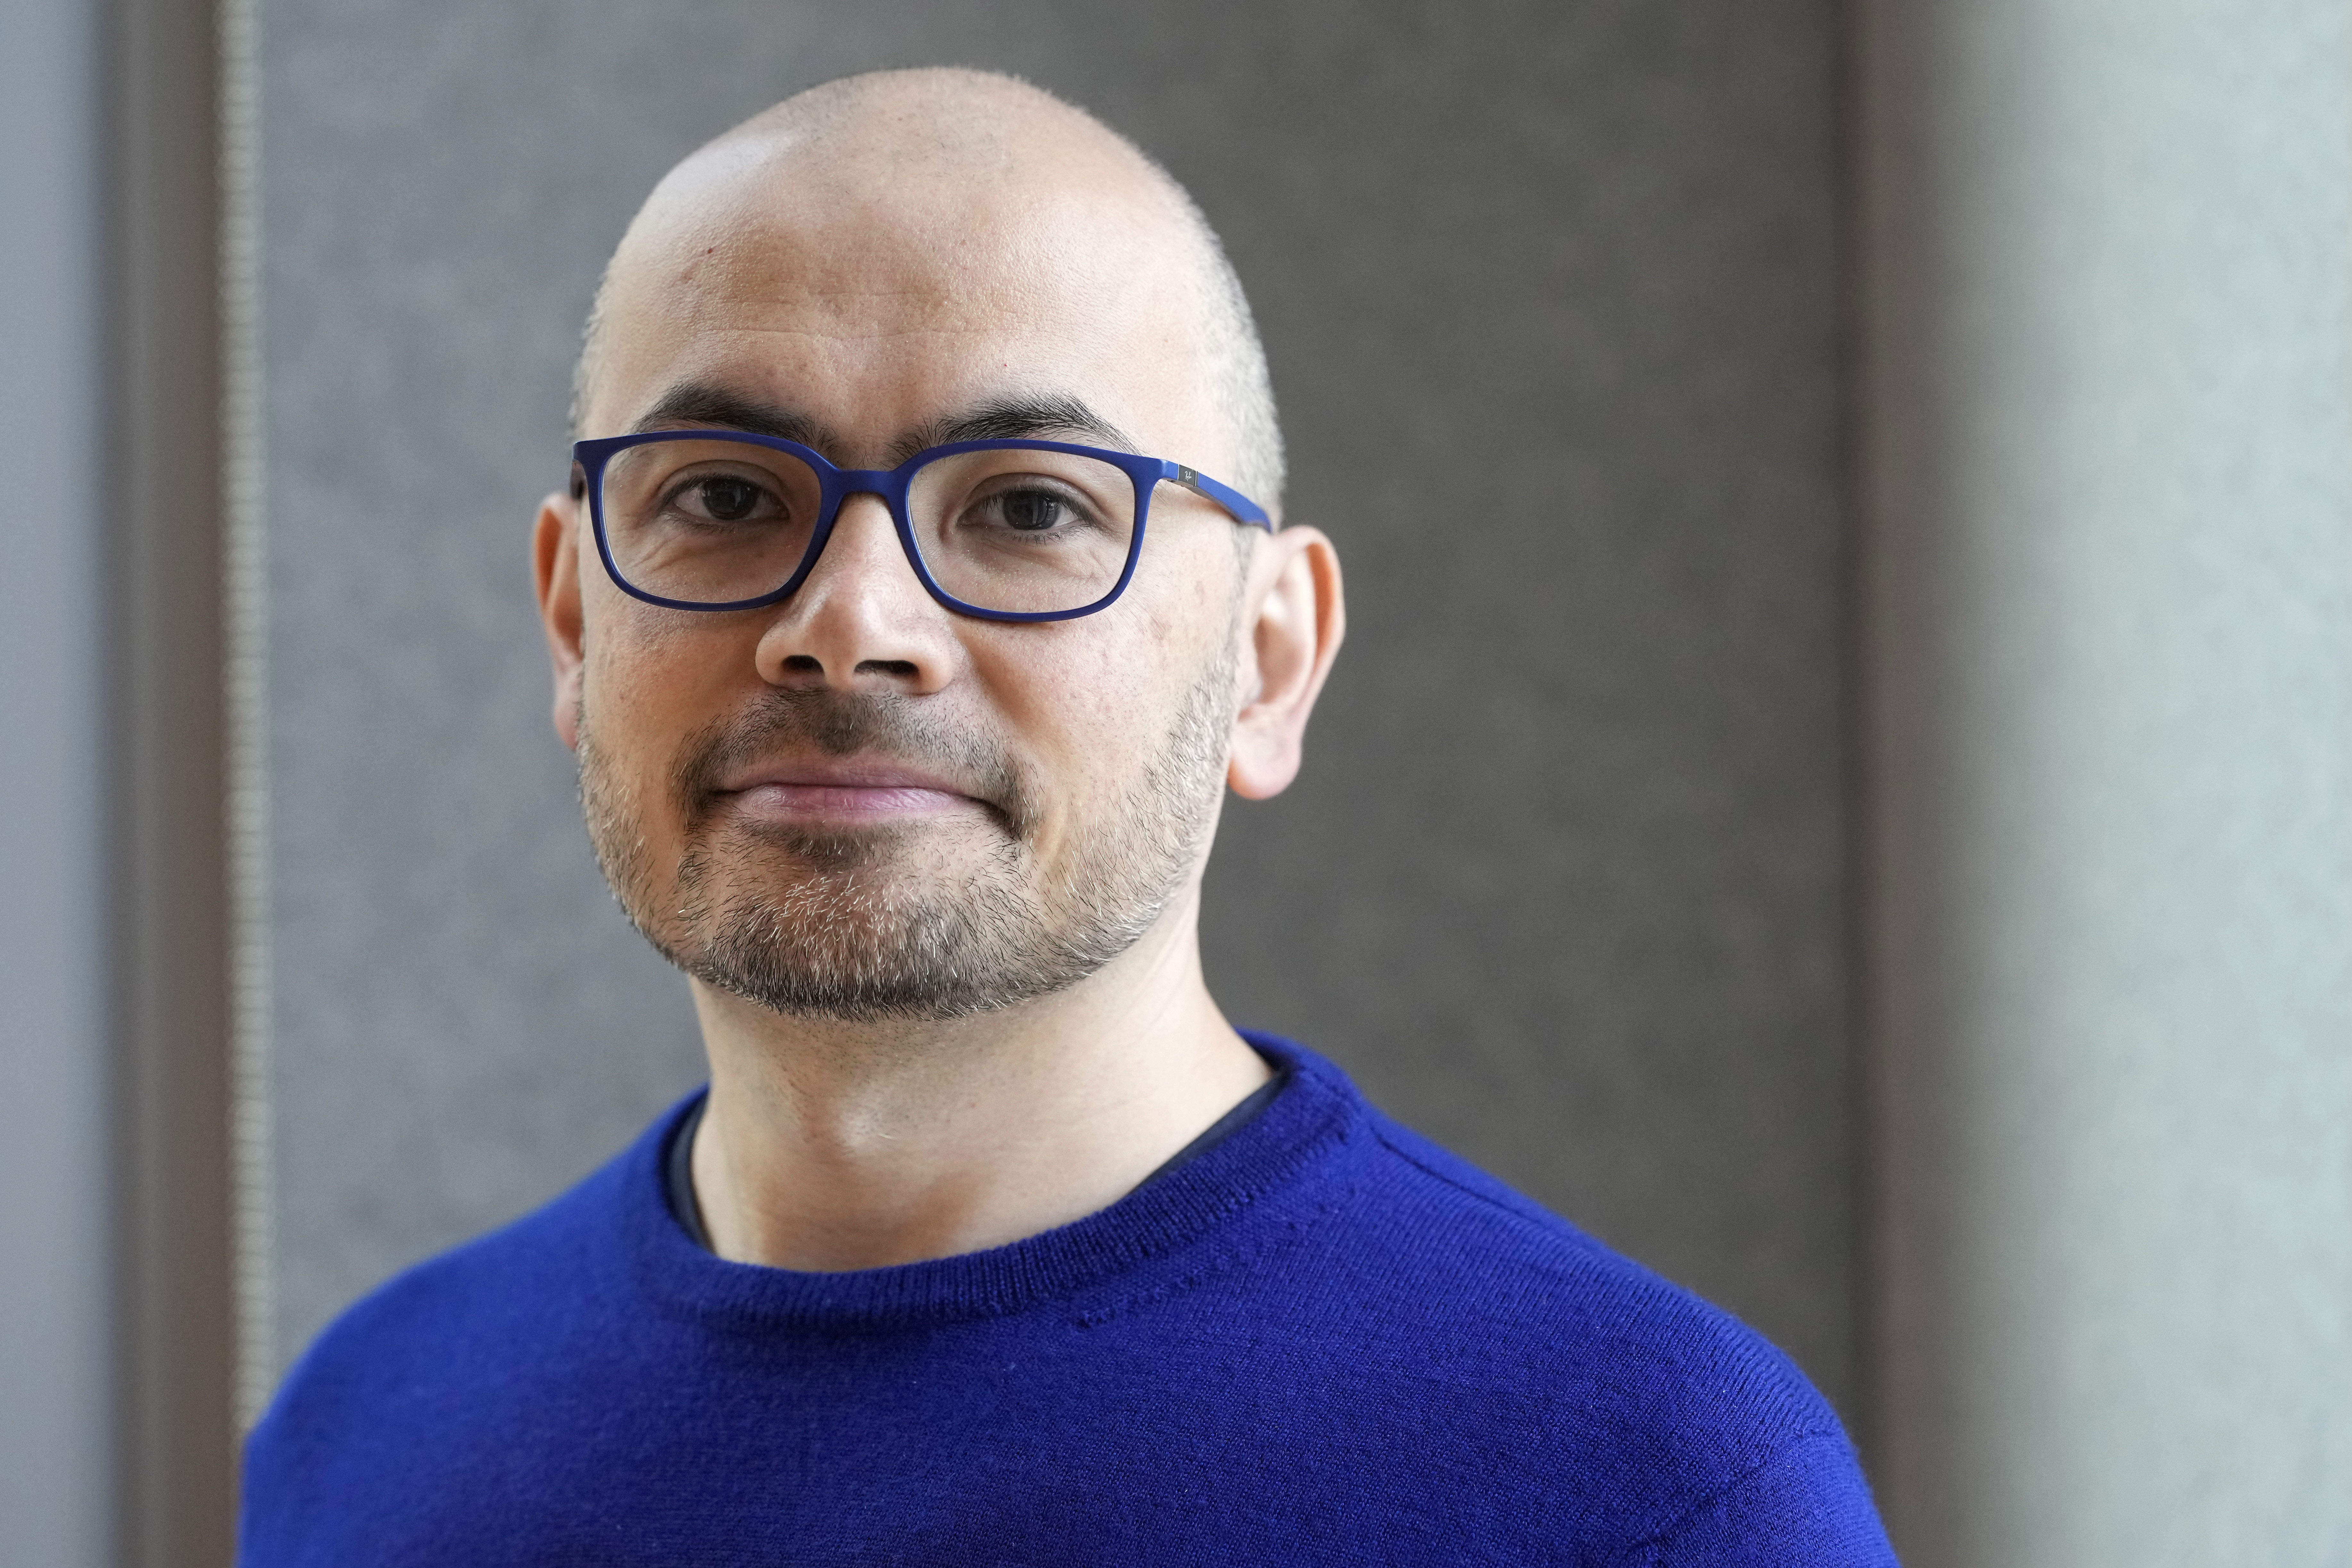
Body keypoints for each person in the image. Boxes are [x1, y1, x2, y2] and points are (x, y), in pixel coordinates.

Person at [240, 67, 1895, 1565]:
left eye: (1031, 510)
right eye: (726, 499)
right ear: (574, 623)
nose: (854, 620)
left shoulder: (1650, 1488)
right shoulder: (356, 1439)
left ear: (1267, 662)